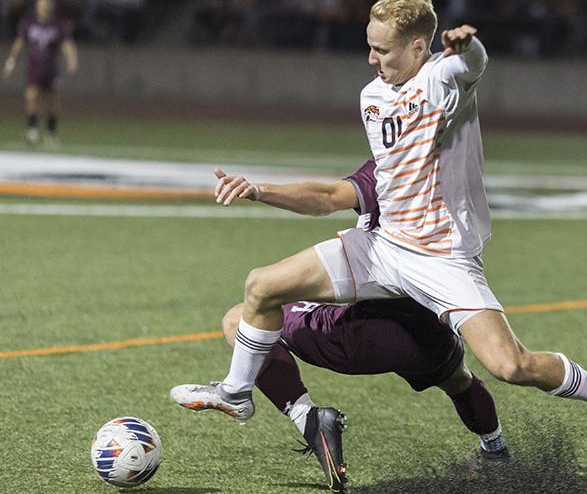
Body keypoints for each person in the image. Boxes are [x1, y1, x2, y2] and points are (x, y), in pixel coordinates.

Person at [175, 0, 587, 458]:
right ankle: (237, 393)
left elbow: (472, 67)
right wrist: (258, 189)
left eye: (383, 50)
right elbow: (335, 195)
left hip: (442, 257)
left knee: (510, 365)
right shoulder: (372, 97)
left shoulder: (443, 77)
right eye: (370, 47)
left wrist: (469, 48)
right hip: (380, 245)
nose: (372, 59)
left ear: (419, 47)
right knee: (260, 286)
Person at [172, 157, 508, 492]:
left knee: (242, 316)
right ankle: (495, 450)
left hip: (366, 332)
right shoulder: (452, 177)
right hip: (431, 331)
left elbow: (327, 197)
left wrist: (259, 190)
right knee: (459, 380)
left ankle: (292, 413)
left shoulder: (397, 163)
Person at [2, 0, 78, 147]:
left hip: (51, 70)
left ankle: (51, 134)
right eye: (43, 2)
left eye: (48, 3)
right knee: (32, 98)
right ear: (37, 4)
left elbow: (67, 44)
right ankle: (32, 131)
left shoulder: (58, 24)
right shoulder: (29, 22)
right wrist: (11, 61)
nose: (45, 5)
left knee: (53, 104)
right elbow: (19, 43)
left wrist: (71, 59)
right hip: (33, 68)